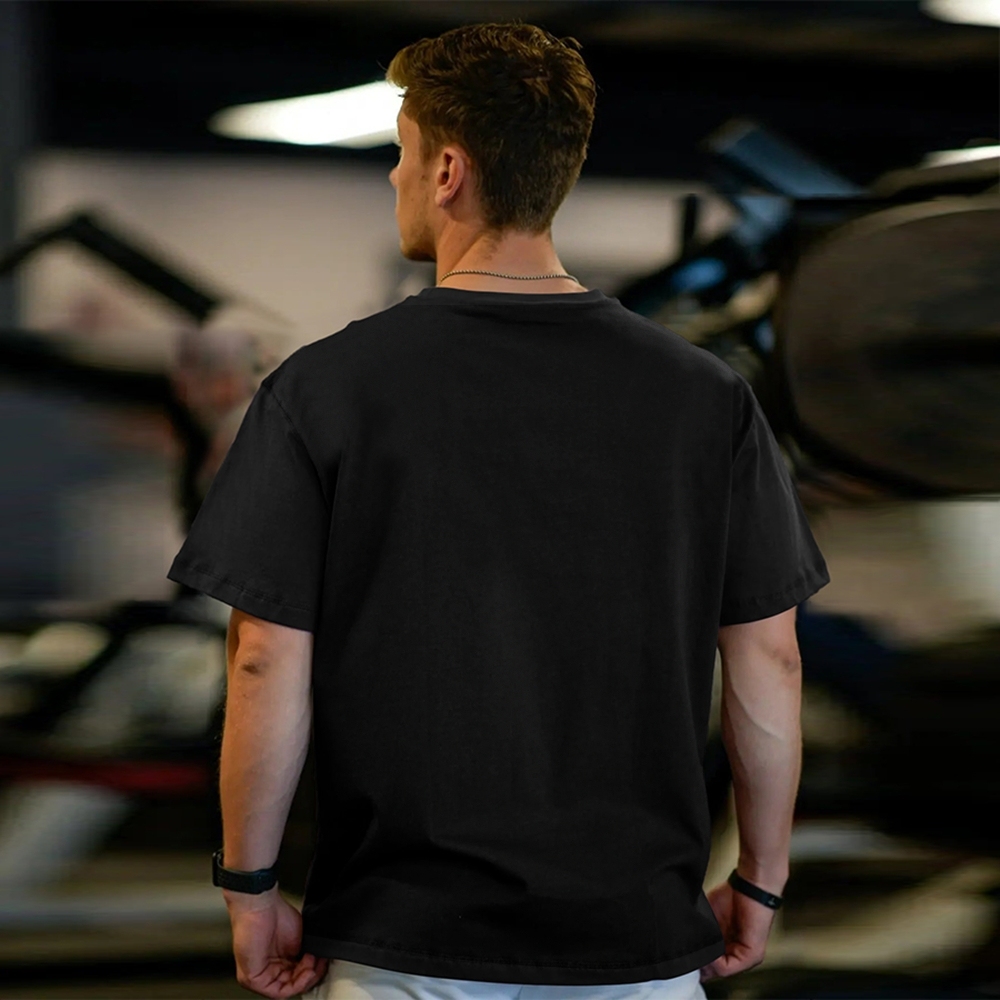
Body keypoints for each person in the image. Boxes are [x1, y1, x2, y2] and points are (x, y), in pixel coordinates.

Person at [167, 21, 830, 1000]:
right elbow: (769, 659)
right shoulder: (705, 399)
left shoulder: (326, 389)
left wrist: (251, 886)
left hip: (407, 940)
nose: (392, 175)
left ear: (447, 171)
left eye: (400, 152)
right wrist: (761, 880)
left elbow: (265, 657)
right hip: (636, 939)